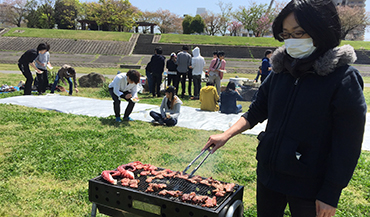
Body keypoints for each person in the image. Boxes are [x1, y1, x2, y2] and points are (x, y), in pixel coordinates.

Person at [203, 1, 367, 217]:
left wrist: (331, 192)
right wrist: (227, 134)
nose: (291, 41)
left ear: (321, 31)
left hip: (309, 184)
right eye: (286, 34)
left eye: (299, 33)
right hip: (270, 175)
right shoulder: (281, 71)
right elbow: (257, 110)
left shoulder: (343, 78)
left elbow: (348, 143)